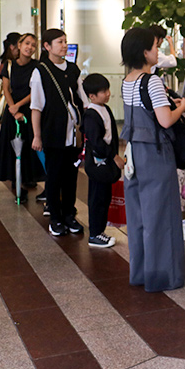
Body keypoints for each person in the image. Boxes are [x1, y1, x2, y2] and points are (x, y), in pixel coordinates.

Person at [120, 27, 185, 292]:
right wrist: (183, 107)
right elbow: (165, 120)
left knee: (140, 217)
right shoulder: (150, 81)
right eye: (155, 47)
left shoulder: (126, 80)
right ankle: (163, 276)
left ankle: (141, 273)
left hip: (134, 154)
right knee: (162, 217)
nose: (158, 51)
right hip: (155, 153)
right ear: (144, 52)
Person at [30, 29, 87, 237]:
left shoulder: (73, 69)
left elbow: (82, 99)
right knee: (54, 177)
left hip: (73, 135)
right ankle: (55, 218)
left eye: (65, 41)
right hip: (53, 134)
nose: (64, 45)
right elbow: (36, 107)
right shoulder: (41, 71)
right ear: (47, 46)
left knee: (71, 177)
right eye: (59, 42)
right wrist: (37, 136)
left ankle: (69, 215)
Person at [0, 33, 44, 197]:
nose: (29, 47)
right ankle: (16, 186)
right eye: (27, 43)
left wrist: (18, 106)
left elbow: (35, 92)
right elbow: (6, 89)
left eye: (33, 45)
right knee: (12, 150)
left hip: (29, 111)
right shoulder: (8, 65)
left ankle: (20, 182)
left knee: (27, 150)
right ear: (19, 45)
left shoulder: (37, 66)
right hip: (12, 115)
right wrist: (12, 108)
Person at [81, 73, 122, 249]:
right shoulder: (91, 114)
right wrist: (114, 156)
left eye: (107, 90)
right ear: (92, 96)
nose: (108, 94)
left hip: (105, 163)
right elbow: (96, 142)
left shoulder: (105, 108)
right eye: (103, 91)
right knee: (97, 199)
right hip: (98, 164)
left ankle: (100, 231)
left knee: (104, 198)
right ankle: (95, 234)